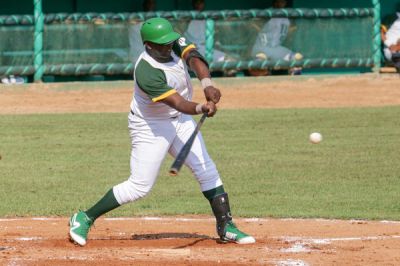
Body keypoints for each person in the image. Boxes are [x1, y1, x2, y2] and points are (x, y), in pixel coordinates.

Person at [69, 17, 255, 246]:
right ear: (149, 45)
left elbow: (194, 58)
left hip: (181, 120)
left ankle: (226, 227)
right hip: (151, 125)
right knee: (139, 186)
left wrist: (207, 84)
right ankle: (84, 217)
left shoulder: (171, 43)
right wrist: (201, 107)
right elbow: (177, 103)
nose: (170, 46)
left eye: (171, 41)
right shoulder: (146, 70)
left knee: (206, 169)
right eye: (164, 44)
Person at [250, 0, 302, 76]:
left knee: (297, 58)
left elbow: (291, 30)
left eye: (282, 1)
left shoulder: (286, 16)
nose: (280, 3)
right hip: (262, 48)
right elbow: (252, 24)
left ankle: (294, 83)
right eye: (278, 1)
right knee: (260, 62)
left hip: (276, 49)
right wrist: (260, 30)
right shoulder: (267, 12)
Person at [128, 0, 157, 64]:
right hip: (136, 58)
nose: (150, 5)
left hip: (152, 59)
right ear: (144, 4)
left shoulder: (158, 22)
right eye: (149, 3)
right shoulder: (134, 19)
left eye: (152, 3)